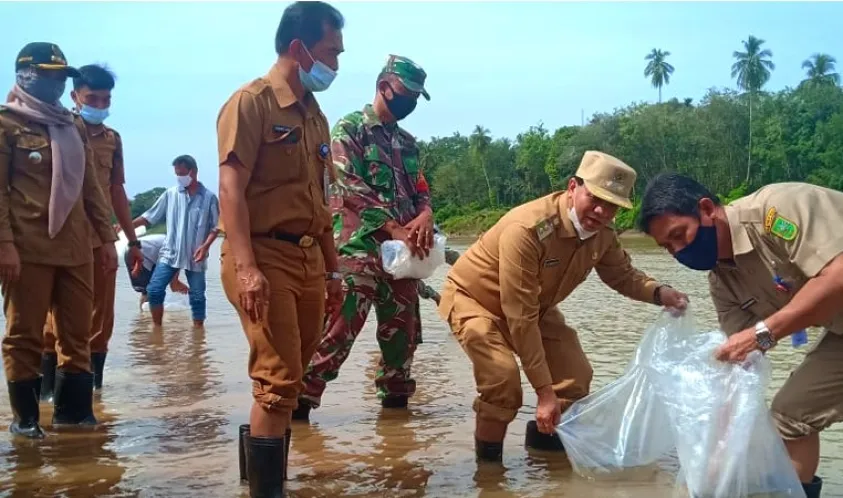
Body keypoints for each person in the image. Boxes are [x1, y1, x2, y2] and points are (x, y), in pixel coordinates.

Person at [437, 151, 689, 462]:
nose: (601, 210)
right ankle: (489, 474)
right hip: (475, 301)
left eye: (612, 205)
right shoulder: (528, 229)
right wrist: (544, 393)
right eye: (595, 197)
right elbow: (519, 316)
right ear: (573, 187)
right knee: (502, 380)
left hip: (535, 305)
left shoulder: (603, 234)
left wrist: (659, 292)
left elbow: (621, 274)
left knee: (575, 376)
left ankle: (545, 456)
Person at [638, 173, 839, 498]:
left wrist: (764, 333)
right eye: (667, 247)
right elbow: (737, 365)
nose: (678, 251)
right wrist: (712, 457)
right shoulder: (723, 282)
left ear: (705, 209)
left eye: (679, 235)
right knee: (791, 415)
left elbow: (838, 275)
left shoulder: (776, 212)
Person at [216, 2, 345, 495]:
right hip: (263, 256)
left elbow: (322, 199)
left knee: (291, 381)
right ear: (300, 48)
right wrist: (247, 269)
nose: (335, 64)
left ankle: (263, 482)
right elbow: (231, 188)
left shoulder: (315, 115)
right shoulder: (251, 103)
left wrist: (333, 273)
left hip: (310, 257)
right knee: (277, 383)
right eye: (331, 52)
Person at [295, 54, 435, 420]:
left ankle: (395, 432)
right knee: (336, 336)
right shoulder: (349, 129)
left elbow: (420, 186)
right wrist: (393, 227)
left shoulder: (407, 143)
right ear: (384, 87)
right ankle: (296, 415)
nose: (411, 103)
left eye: (418, 97)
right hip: (357, 251)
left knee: (402, 343)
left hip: (402, 259)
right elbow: (348, 185)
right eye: (407, 93)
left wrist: (425, 213)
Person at [0, 42, 118, 438]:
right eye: (47, 75)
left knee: (77, 334)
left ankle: (75, 417)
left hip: (76, 249)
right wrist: (5, 246)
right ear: (25, 75)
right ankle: (26, 421)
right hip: (27, 250)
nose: (54, 83)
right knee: (25, 335)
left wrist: (105, 240)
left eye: (59, 77)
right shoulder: (7, 124)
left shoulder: (72, 126)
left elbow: (92, 191)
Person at [40, 64, 143, 398]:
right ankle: (45, 398)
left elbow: (117, 193)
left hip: (100, 242)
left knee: (100, 321)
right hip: (59, 240)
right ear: (75, 96)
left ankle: (92, 397)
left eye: (105, 99)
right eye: (92, 98)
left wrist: (132, 240)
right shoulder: (56, 130)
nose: (99, 105)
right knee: (53, 323)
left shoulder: (113, 140)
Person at [132, 154, 219, 328]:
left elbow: (215, 227)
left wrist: (206, 246)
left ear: (193, 172)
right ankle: (158, 329)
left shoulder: (209, 198)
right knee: (154, 290)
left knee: (197, 296)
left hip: (196, 256)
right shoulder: (171, 194)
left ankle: (198, 333)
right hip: (170, 252)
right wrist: (127, 225)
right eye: (177, 174)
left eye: (181, 173)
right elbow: (150, 217)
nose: (179, 177)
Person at [119, 232, 189, 309]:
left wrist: (175, 282)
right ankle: (145, 319)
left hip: (133, 250)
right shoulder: (179, 248)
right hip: (138, 253)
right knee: (149, 293)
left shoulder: (177, 245)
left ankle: (143, 318)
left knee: (147, 291)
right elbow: (173, 281)